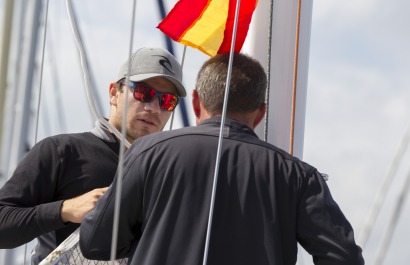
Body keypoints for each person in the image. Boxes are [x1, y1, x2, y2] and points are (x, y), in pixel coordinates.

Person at [79, 52, 365, 265]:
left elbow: (95, 243)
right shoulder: (299, 177)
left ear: (195, 102)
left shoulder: (148, 152)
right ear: (261, 113)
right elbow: (344, 259)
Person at [0, 47, 186, 264]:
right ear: (114, 93)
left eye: (167, 101)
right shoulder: (62, 151)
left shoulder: (169, 174)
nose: (154, 107)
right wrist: (66, 210)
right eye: (144, 93)